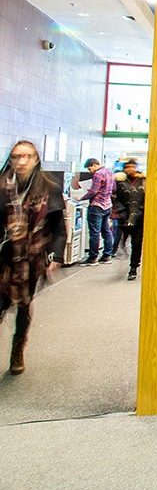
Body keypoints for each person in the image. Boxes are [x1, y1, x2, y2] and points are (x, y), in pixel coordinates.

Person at [0, 140, 66, 375]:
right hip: (4, 255)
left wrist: (55, 255)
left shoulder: (49, 187)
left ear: (36, 159)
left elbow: (58, 227)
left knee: (23, 304)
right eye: (17, 156)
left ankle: (18, 349)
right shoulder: (2, 187)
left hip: (31, 258)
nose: (21, 161)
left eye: (27, 156)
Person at [71, 157, 116, 265]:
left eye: (89, 168)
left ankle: (93, 258)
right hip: (107, 205)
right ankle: (107, 255)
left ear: (94, 165)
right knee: (106, 231)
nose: (89, 171)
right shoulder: (109, 172)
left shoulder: (98, 174)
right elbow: (114, 188)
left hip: (97, 206)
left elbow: (93, 191)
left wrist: (81, 198)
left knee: (94, 233)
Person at [114, 158, 145, 281]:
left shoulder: (143, 181)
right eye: (127, 167)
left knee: (136, 243)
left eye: (132, 167)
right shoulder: (120, 182)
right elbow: (117, 199)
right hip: (125, 217)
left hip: (140, 218)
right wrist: (122, 213)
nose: (130, 169)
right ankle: (121, 251)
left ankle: (133, 268)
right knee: (121, 239)